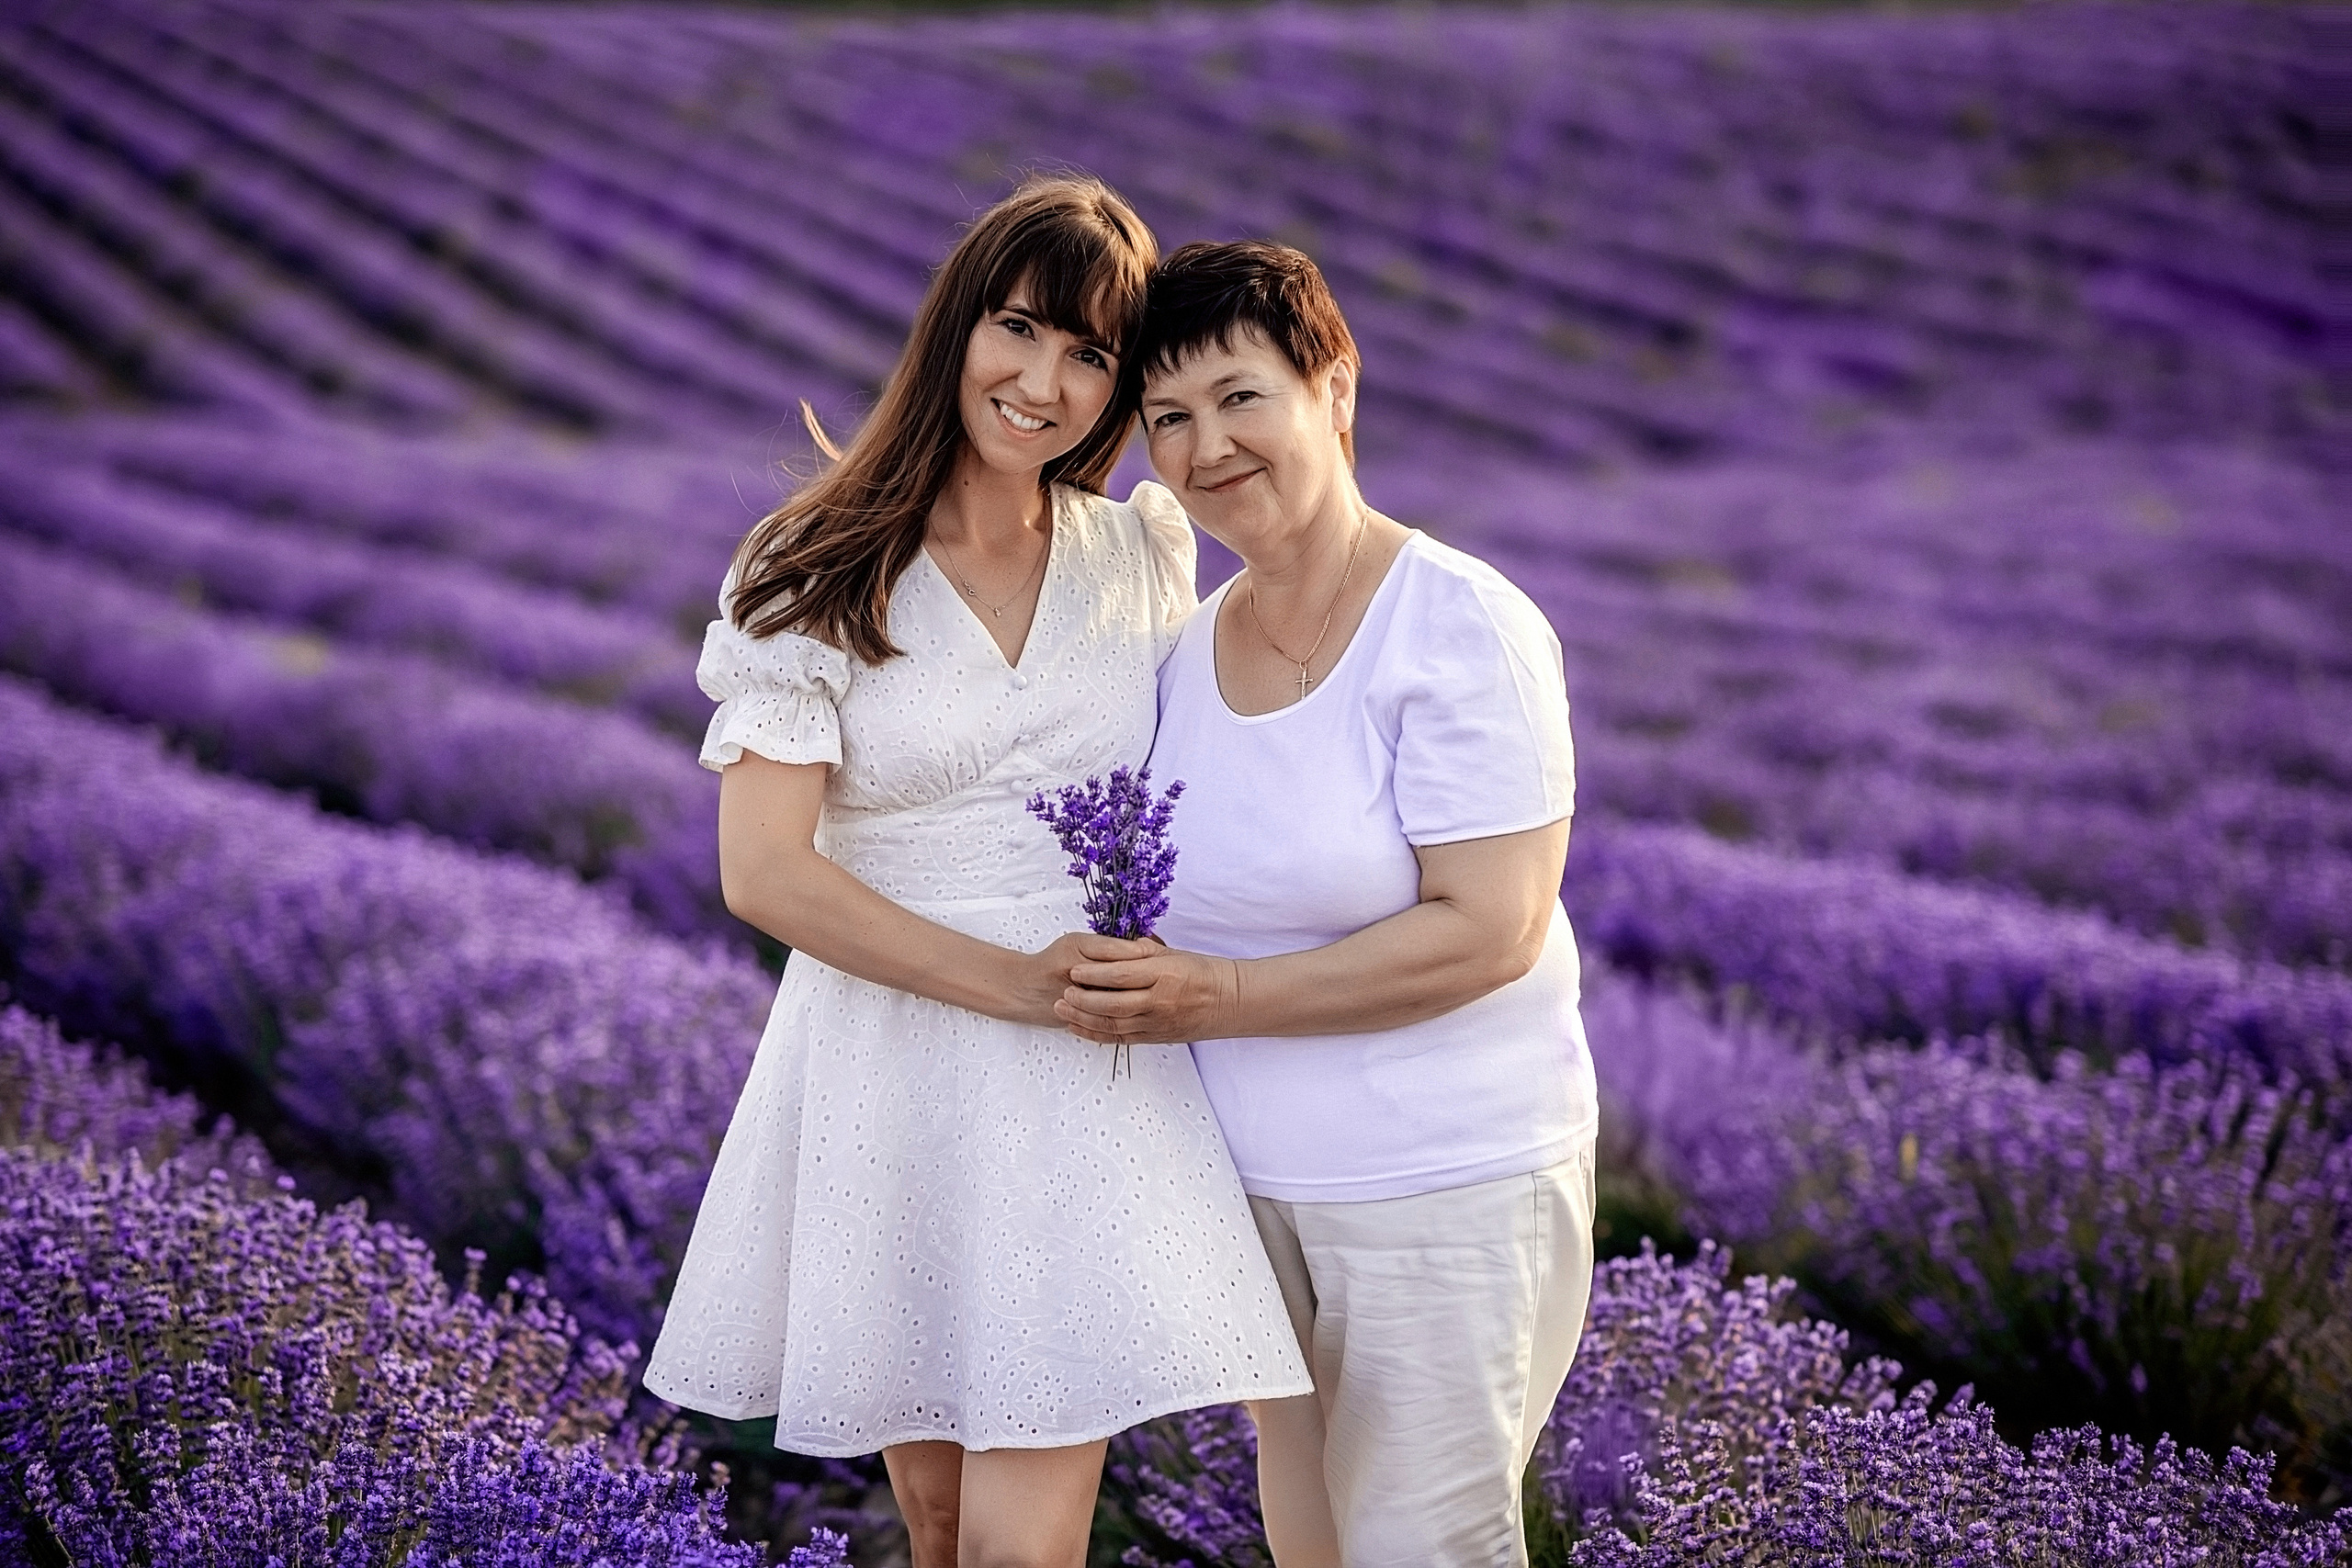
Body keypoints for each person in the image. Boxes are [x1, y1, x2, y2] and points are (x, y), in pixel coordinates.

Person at [642, 182, 1311, 1568]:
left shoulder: (1141, 554)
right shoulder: (814, 565)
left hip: (1084, 1080)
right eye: (1022, 329)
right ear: (959, 323)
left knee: (1022, 1535)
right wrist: (1014, 982)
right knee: (940, 1522)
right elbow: (763, 874)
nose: (1046, 384)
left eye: (1092, 357)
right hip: (891, 1061)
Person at [1057, 241, 1598, 1568]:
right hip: (1253, 1194)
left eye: (1242, 397)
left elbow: (1491, 925)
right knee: (1312, 1546)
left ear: (1334, 389)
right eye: (1169, 419)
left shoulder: (1458, 625)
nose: (1205, 446)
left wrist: (1217, 1000)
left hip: (1442, 1186)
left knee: (1424, 1547)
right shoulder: (1186, 650)